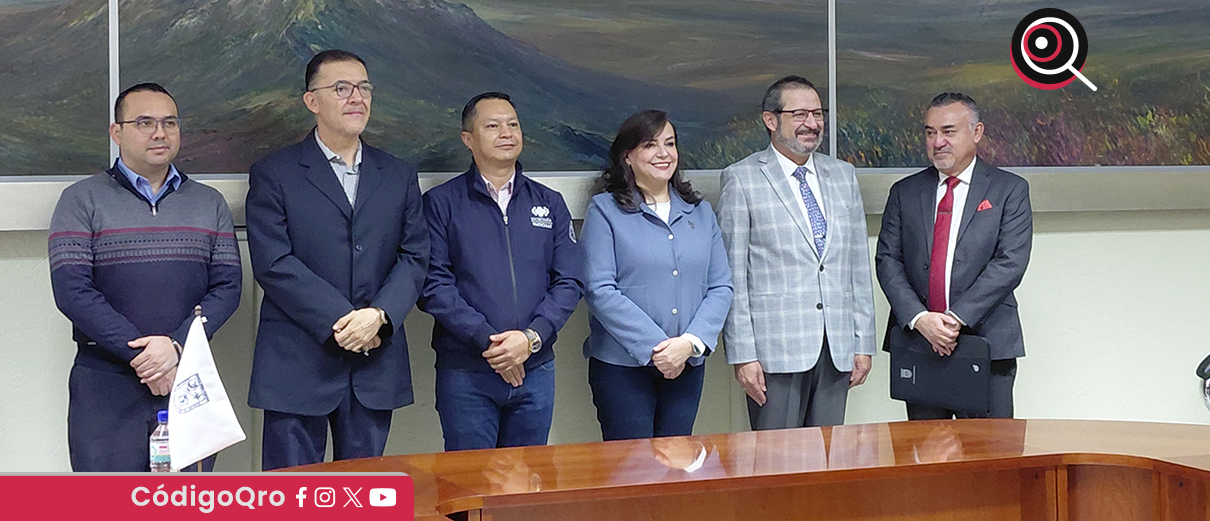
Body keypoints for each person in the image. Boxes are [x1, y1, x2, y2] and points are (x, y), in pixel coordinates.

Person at [245, 50, 428, 469]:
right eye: (341, 88)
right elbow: (274, 262)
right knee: (291, 499)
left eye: (364, 88)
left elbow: (415, 256)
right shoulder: (275, 172)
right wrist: (346, 321)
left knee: (360, 498)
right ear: (312, 101)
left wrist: (379, 316)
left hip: (374, 360)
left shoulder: (398, 174)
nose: (356, 98)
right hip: (298, 361)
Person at [49, 82, 241, 471]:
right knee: (105, 505)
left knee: (186, 503)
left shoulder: (209, 203)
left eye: (170, 123)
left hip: (187, 378)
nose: (160, 133)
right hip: (105, 382)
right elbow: (72, 291)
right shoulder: (81, 200)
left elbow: (228, 288)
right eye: (145, 123)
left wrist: (174, 347)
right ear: (116, 132)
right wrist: (144, 357)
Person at [419, 92, 583, 451]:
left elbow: (569, 280)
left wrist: (530, 338)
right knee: (470, 484)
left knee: (525, 484)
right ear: (468, 139)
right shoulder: (441, 204)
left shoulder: (549, 202)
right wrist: (490, 343)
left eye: (513, 124)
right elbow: (433, 285)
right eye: (492, 125)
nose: (506, 132)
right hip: (467, 372)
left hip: (535, 368)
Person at [717, 75, 876, 430]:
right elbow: (733, 275)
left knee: (831, 460)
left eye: (818, 114)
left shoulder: (843, 175)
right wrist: (743, 354)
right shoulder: (742, 179)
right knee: (777, 465)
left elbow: (856, 266)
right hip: (775, 352)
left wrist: (862, 341)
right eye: (800, 114)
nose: (812, 124)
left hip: (836, 348)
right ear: (770, 120)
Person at [875, 92, 1032, 420]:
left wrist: (954, 319)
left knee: (991, 457)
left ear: (976, 133)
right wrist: (922, 320)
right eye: (930, 133)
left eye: (948, 132)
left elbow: (1010, 262)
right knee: (927, 457)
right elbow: (888, 260)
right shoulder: (905, 192)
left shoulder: (1009, 190)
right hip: (920, 343)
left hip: (986, 344)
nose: (937, 142)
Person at [581, 110, 733, 440]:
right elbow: (599, 289)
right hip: (622, 368)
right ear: (628, 156)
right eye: (651, 145)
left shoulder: (700, 213)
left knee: (676, 469)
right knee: (632, 473)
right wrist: (658, 348)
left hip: (687, 365)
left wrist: (690, 344)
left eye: (670, 143)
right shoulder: (605, 211)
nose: (664, 153)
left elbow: (721, 286)